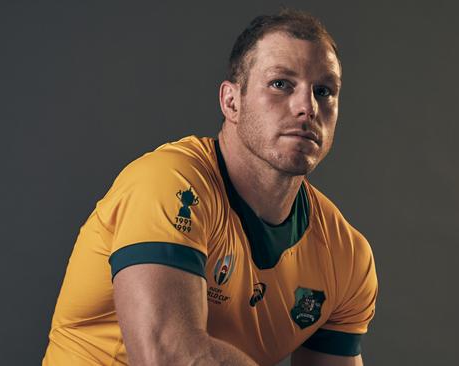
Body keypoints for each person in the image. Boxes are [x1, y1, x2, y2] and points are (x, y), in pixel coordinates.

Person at [43, 8, 377, 366]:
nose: (307, 107)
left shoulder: (346, 255)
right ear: (231, 101)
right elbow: (166, 356)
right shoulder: (170, 184)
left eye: (324, 91)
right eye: (281, 84)